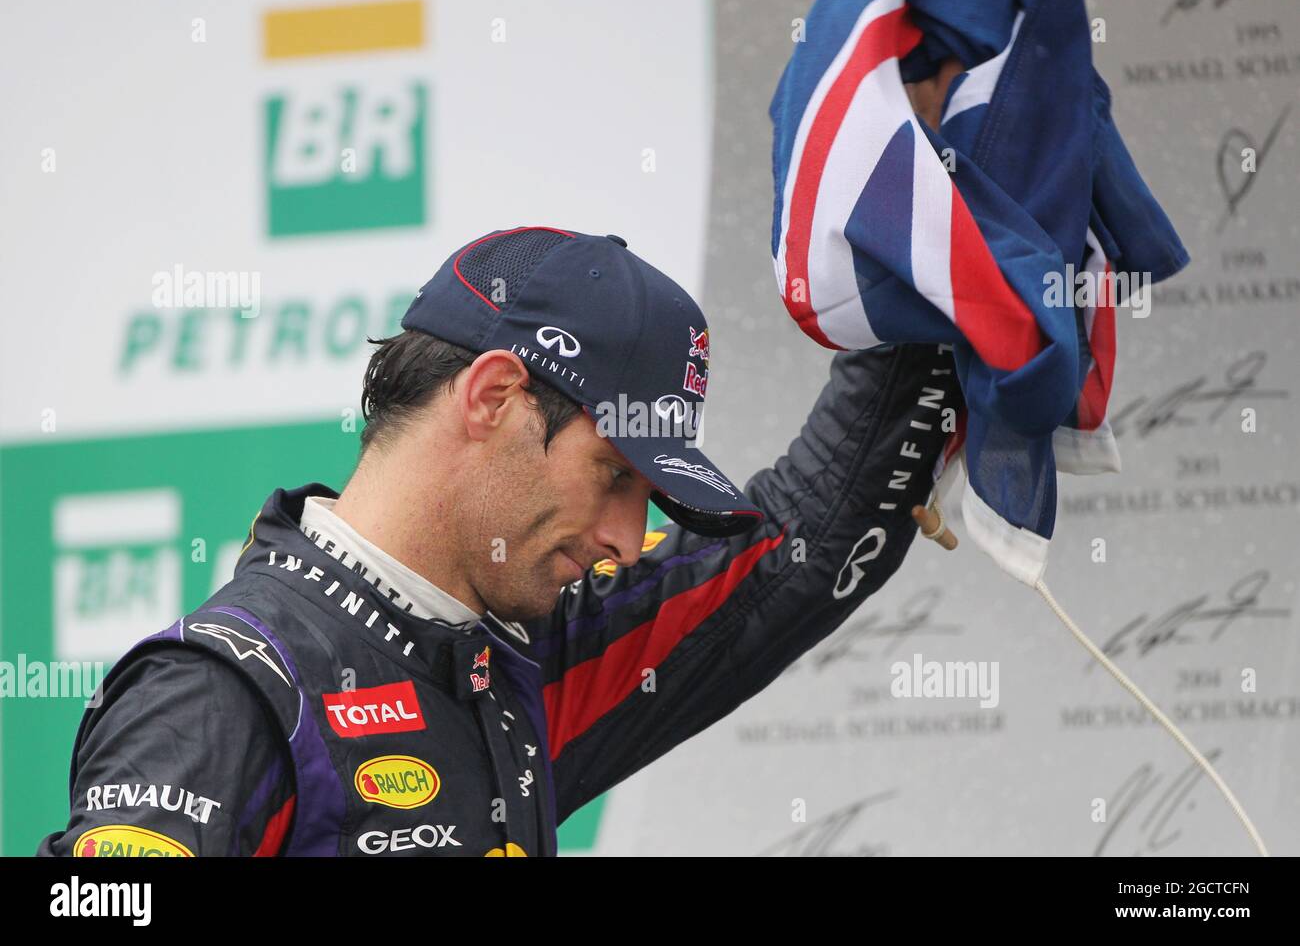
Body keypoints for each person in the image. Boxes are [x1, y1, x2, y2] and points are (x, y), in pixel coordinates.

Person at [37, 227, 960, 857]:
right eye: (613, 477)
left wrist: (938, 267)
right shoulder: (225, 691)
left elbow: (796, 554)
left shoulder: (515, 660)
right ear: (492, 399)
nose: (625, 542)